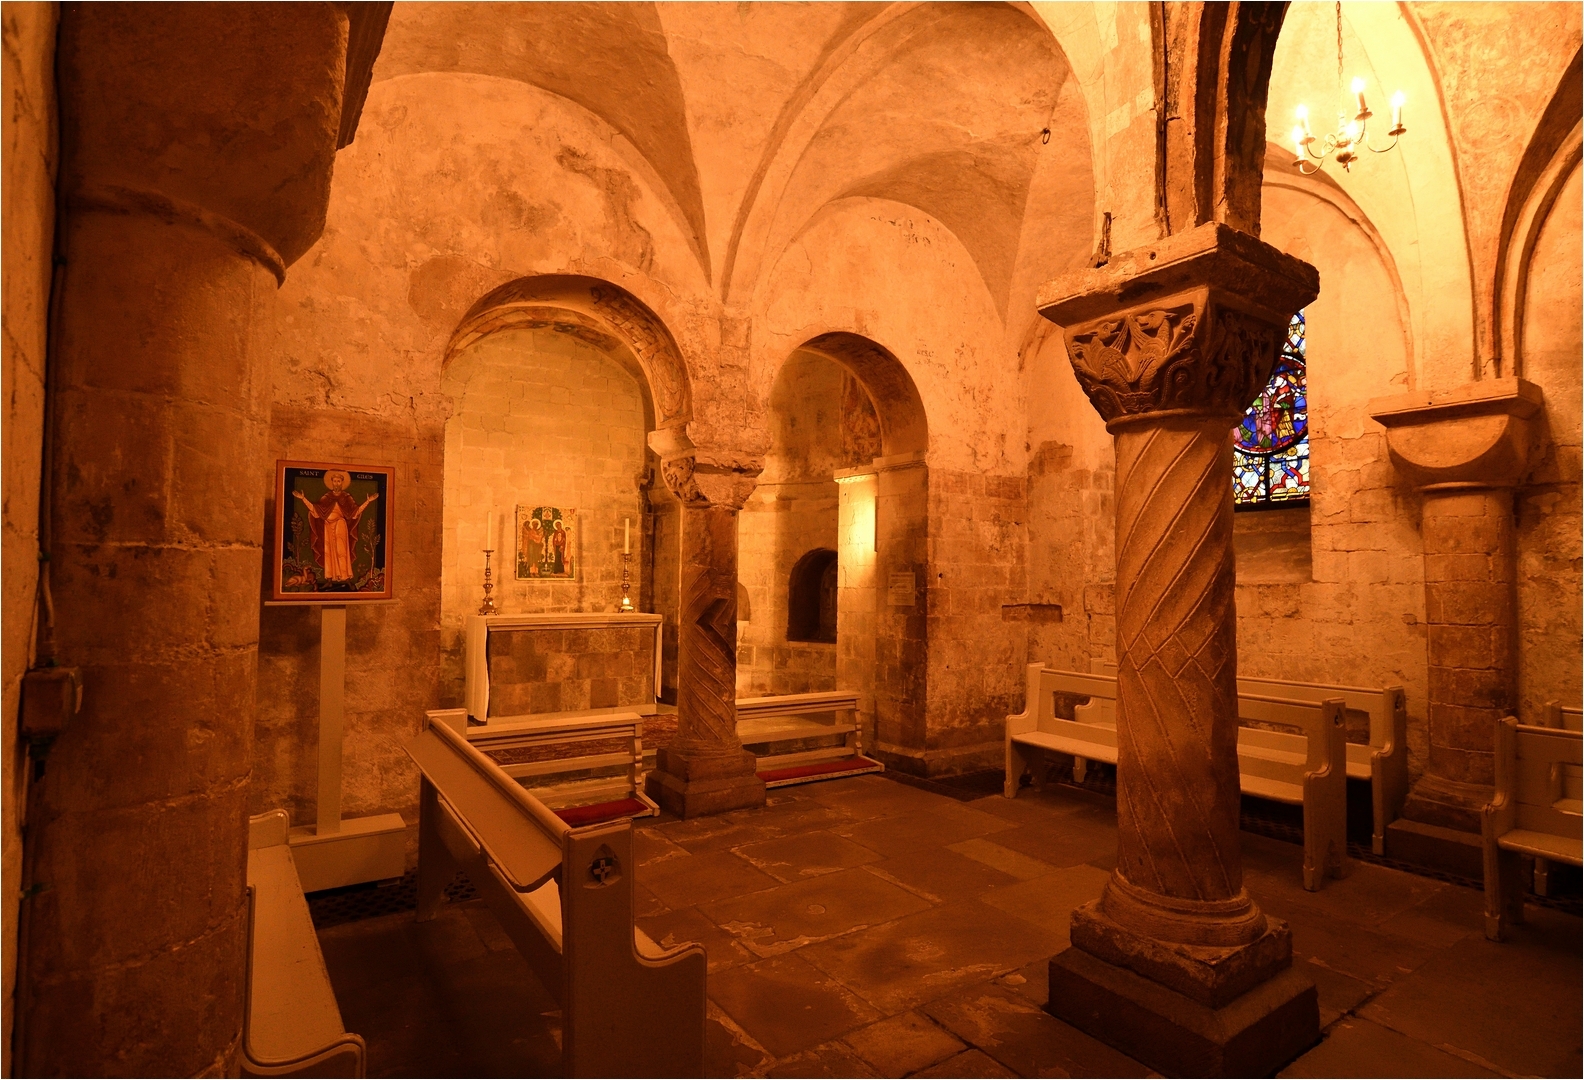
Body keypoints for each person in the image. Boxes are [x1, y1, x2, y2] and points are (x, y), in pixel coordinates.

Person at [294, 470, 378, 583]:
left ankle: (345, 578)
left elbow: (356, 512)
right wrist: (303, 499)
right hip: (327, 525)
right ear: (332, 482)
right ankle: (330, 578)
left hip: (340, 524)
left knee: (341, 551)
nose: (337, 483)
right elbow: (315, 510)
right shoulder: (326, 497)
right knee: (328, 552)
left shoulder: (347, 497)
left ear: (342, 483)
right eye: (335, 481)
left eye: (339, 481)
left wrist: (368, 501)